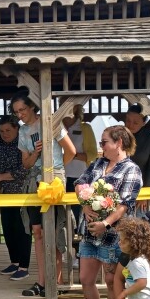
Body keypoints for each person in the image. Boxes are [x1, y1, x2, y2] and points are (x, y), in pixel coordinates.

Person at [72, 125, 142, 299]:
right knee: (85, 278)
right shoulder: (98, 163)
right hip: (90, 231)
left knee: (113, 281)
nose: (101, 147)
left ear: (119, 142)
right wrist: (84, 204)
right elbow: (79, 183)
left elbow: (125, 204)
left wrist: (106, 223)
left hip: (114, 234)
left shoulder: (131, 169)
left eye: (104, 142)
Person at [11, 93, 76, 298]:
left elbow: (71, 151)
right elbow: (25, 164)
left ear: (32, 107)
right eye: (16, 112)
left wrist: (56, 171)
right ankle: (41, 281)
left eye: (22, 110)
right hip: (33, 182)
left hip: (53, 180)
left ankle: (55, 280)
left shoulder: (52, 124)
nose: (20, 114)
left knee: (54, 230)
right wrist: (36, 153)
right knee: (37, 230)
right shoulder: (22, 131)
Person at [0, 115, 32, 281]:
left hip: (21, 193)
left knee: (22, 230)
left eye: (8, 130)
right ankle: (14, 262)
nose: (4, 134)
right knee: (8, 229)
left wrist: (0, 177)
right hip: (2, 193)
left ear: (17, 129)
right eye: (1, 131)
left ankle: (24, 266)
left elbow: (24, 170)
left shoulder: (23, 144)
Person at [62, 105, 98, 266]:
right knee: (62, 217)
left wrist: (71, 154)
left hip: (80, 179)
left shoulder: (85, 128)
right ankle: (64, 250)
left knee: (79, 217)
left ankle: (78, 253)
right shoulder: (57, 126)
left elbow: (92, 154)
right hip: (60, 179)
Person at [124, 103, 150, 189]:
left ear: (143, 123)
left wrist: (146, 189)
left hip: (140, 187)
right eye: (128, 121)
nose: (131, 125)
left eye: (135, 123)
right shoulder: (117, 135)